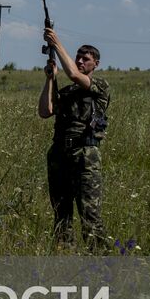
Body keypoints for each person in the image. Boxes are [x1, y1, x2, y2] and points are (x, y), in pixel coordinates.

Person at [37, 28, 110, 250]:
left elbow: (73, 74)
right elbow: (45, 111)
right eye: (78, 57)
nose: (79, 61)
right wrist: (50, 79)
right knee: (61, 214)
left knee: (90, 216)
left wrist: (56, 43)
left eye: (85, 59)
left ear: (95, 64)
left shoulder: (100, 87)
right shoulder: (68, 91)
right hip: (60, 154)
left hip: (85, 156)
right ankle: (63, 258)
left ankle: (100, 264)